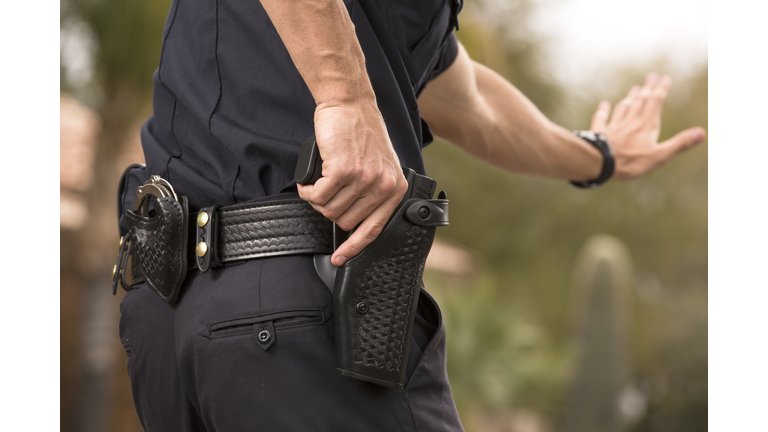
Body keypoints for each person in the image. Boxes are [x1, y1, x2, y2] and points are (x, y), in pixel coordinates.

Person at [117, 0, 705, 430]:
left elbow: (467, 102)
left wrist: (598, 156)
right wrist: (342, 95)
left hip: (169, 318)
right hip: (292, 307)